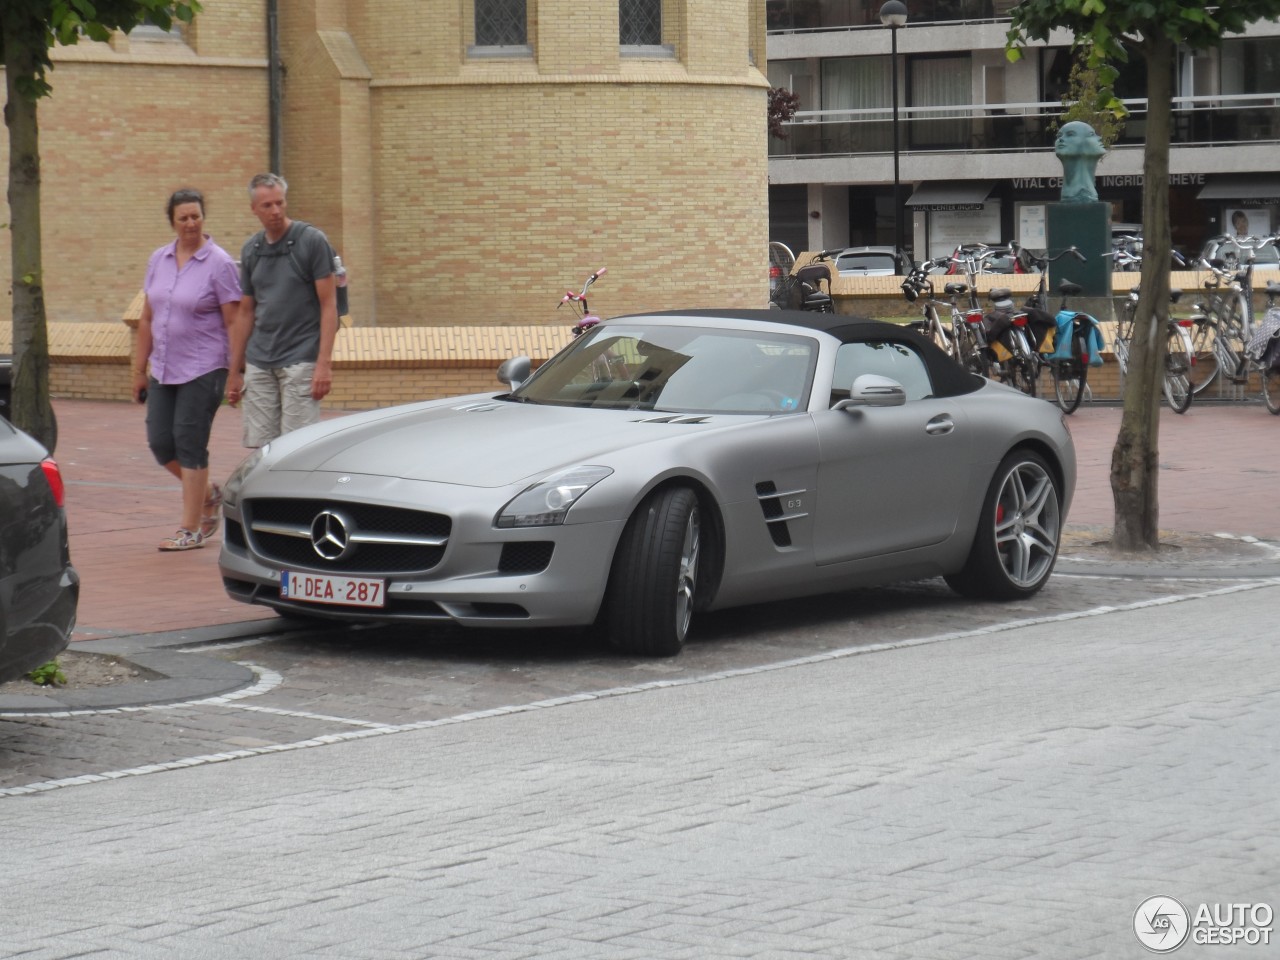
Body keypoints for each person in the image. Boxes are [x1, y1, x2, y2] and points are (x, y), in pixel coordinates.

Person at [133, 188, 241, 551]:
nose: (191, 223)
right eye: (184, 218)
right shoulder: (158, 260)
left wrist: (235, 371)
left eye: (196, 216)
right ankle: (208, 492)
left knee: (190, 443)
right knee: (161, 443)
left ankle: (190, 529)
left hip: (204, 367)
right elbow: (147, 318)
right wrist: (138, 369)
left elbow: (234, 321)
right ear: (173, 222)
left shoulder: (219, 263)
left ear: (203, 218)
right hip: (163, 367)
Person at [227, 173, 339, 447]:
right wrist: (234, 370)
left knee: (296, 446)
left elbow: (329, 305)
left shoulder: (311, 242)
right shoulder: (252, 250)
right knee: (259, 449)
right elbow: (245, 312)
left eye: (280, 202)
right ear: (254, 209)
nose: (276, 211)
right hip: (259, 361)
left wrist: (323, 364)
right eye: (267, 205)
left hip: (300, 360)